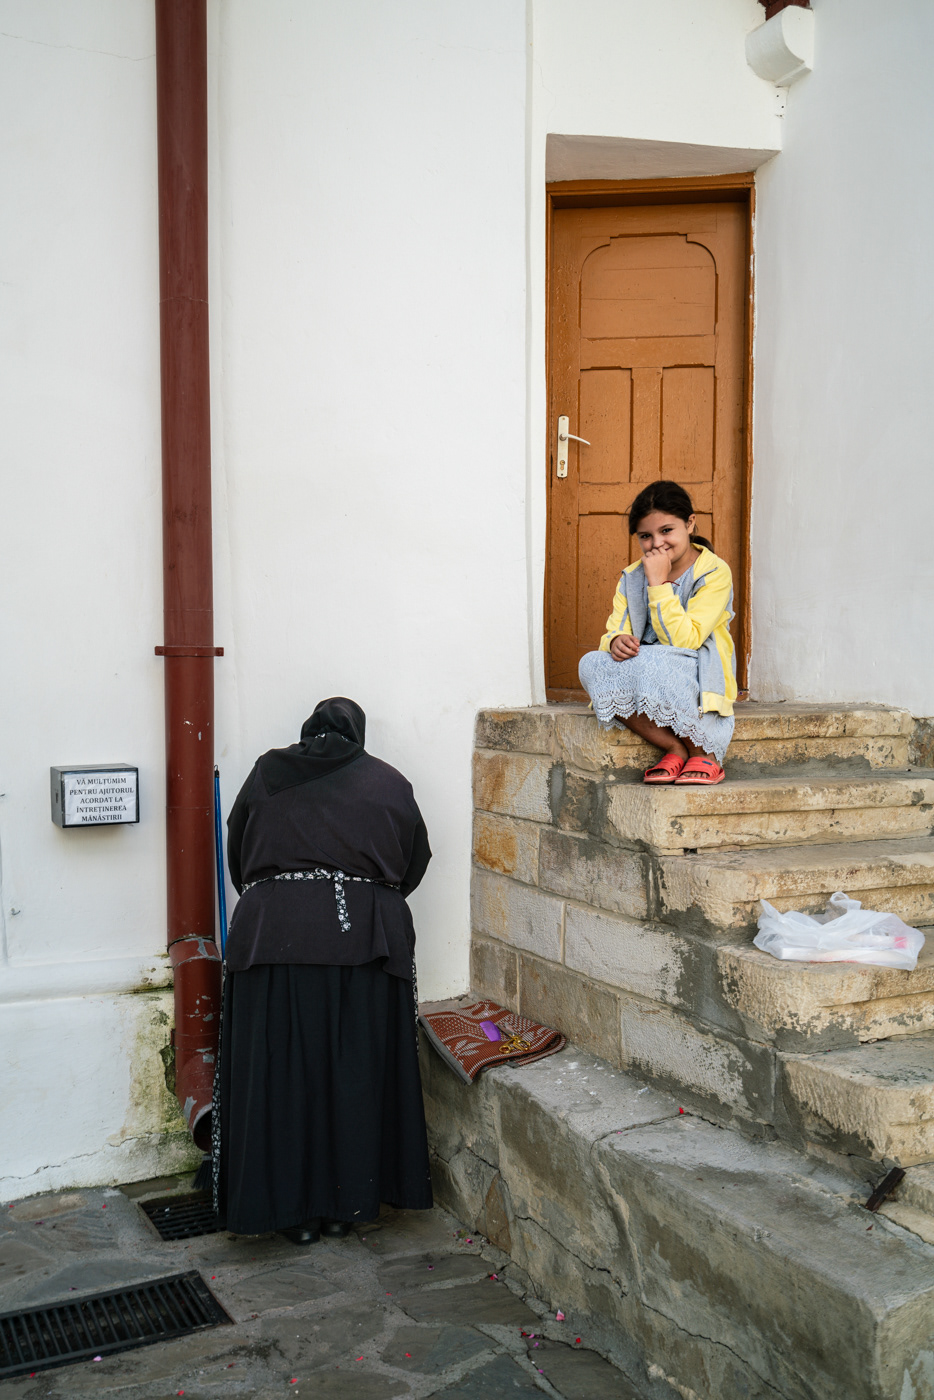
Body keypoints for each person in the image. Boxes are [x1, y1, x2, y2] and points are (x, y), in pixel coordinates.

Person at [213, 696, 433, 1243]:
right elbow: (413, 861)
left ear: (307, 730)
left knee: (283, 1075)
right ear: (358, 735)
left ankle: (293, 1213)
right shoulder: (387, 781)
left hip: (274, 941)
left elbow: (238, 853)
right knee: (353, 1075)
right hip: (365, 941)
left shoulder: (268, 771)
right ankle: (347, 1205)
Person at [578, 481, 736, 785]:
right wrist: (616, 641)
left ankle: (704, 751)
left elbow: (687, 640)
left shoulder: (714, 572)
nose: (657, 543)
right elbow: (615, 628)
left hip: (695, 667)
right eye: (646, 536)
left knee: (656, 661)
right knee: (590, 664)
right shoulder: (631, 576)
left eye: (667, 531)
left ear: (690, 524)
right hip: (647, 665)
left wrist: (659, 584)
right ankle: (673, 746)